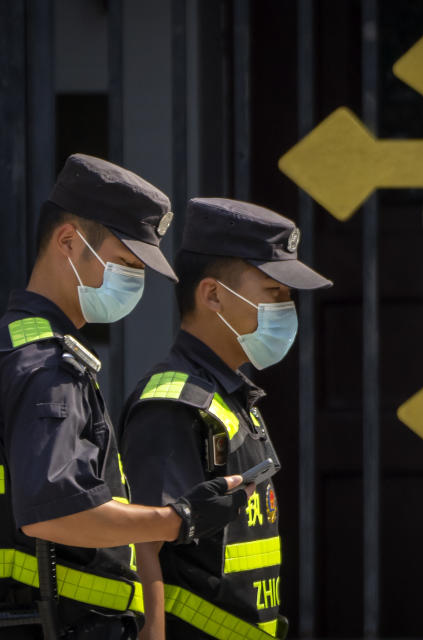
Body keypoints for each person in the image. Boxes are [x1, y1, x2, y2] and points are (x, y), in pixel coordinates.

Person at [0, 155, 251, 640]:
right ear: (68, 242)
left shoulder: (19, 348)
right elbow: (59, 510)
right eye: (125, 263)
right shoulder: (45, 364)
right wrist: (176, 521)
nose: (133, 281)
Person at [118, 198, 333, 639]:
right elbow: (142, 540)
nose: (285, 308)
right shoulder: (174, 404)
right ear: (213, 294)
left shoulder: (231, 397)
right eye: (273, 293)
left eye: (287, 297)